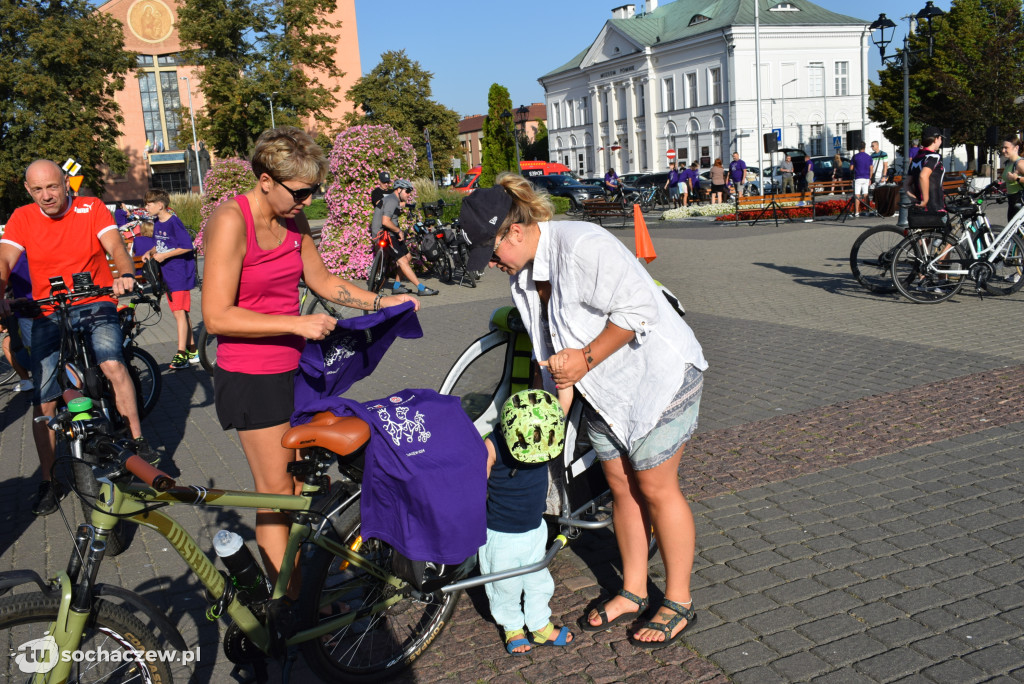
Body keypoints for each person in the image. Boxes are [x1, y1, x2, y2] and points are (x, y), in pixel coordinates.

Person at [459, 174, 708, 649]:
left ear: (513, 231)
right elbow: (548, 356)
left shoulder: (581, 245)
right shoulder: (523, 278)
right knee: (620, 487)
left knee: (655, 487)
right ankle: (634, 591)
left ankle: (677, 600)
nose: (491, 264)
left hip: (658, 377)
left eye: (490, 253)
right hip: (602, 390)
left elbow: (639, 310)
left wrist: (585, 358)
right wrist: (535, 419)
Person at [201, 126, 419, 593]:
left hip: (293, 370)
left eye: (314, 191)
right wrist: (295, 325)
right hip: (251, 377)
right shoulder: (230, 221)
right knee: (275, 493)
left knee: (296, 492)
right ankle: (293, 606)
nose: (307, 201)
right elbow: (217, 316)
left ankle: (296, 594)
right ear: (265, 180)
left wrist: (382, 304)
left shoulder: (293, 221)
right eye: (300, 192)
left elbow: (321, 281)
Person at [0, 159, 153, 515]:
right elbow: (5, 260)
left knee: (113, 364)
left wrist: (125, 273)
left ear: (66, 184)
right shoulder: (23, 217)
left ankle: (138, 439)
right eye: (37, 190)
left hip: (96, 300)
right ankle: (49, 480)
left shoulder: (91, 207)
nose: (46, 196)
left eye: (52, 187)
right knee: (45, 399)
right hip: (48, 310)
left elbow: (116, 247)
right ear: (28, 190)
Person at [481, 389, 575, 655]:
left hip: (535, 529)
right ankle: (512, 627)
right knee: (504, 586)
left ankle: (540, 625)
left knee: (539, 581)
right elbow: (476, 479)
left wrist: (566, 385)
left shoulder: (546, 429)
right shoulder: (493, 444)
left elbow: (561, 410)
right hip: (500, 536)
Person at [142, 189, 199, 369]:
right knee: (180, 312)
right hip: (167, 274)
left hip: (179, 274)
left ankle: (181, 353)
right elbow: (160, 245)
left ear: (160, 205)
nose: (146, 207)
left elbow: (187, 247)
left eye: (149, 203)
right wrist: (150, 252)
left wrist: (165, 256)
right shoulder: (157, 222)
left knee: (179, 313)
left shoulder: (174, 222)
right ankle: (192, 350)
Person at [369, 179, 439, 296]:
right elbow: (385, 221)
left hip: (391, 233)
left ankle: (396, 286)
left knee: (408, 256)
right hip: (385, 235)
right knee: (402, 261)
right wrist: (398, 231)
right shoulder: (392, 200)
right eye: (407, 191)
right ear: (399, 190)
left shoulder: (393, 199)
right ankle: (421, 288)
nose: (408, 194)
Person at [903, 126, 946, 227]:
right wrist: (925, 200)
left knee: (924, 238)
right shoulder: (933, 157)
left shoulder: (916, 158)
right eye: (940, 138)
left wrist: (914, 199)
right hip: (934, 204)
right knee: (948, 236)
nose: (941, 141)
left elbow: (906, 184)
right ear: (935, 139)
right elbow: (923, 176)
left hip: (920, 206)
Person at [1000, 137, 1024, 224]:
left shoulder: (1020, 163)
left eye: (1006, 148)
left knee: (1015, 232)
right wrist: (1002, 185)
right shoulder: (1009, 163)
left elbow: (1015, 179)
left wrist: (1017, 178)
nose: (1003, 150)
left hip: (1019, 200)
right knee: (1013, 232)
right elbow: (1010, 181)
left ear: (1016, 148)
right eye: (1002, 147)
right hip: (1012, 201)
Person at [851, 143, 873, 216]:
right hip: (866, 177)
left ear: (858, 148)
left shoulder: (855, 157)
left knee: (857, 195)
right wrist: (870, 178)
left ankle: (856, 212)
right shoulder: (868, 157)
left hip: (858, 177)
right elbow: (871, 168)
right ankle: (867, 211)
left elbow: (851, 168)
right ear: (865, 147)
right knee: (865, 194)